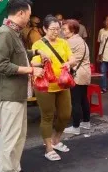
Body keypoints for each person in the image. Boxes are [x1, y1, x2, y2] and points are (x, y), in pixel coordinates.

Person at [0, 0, 47, 172]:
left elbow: (17, 54)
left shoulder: (13, 32)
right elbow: (2, 65)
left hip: (16, 92)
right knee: (10, 136)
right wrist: (30, 70)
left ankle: (15, 169)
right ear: (20, 13)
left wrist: (34, 54)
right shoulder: (4, 34)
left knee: (19, 135)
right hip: (7, 93)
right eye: (28, 14)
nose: (29, 18)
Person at [31, 15, 75, 161]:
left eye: (58, 29)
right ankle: (48, 147)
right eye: (52, 29)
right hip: (45, 86)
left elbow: (72, 59)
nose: (56, 32)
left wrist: (69, 64)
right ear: (44, 29)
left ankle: (56, 140)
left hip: (63, 84)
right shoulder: (38, 45)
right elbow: (33, 63)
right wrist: (42, 60)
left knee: (65, 115)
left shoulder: (63, 43)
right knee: (47, 116)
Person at [62, 19, 92, 136]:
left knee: (76, 101)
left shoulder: (70, 42)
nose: (62, 31)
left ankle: (75, 127)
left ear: (73, 30)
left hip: (77, 74)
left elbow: (65, 58)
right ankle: (86, 122)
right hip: (85, 73)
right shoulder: (80, 40)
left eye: (64, 29)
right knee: (83, 98)